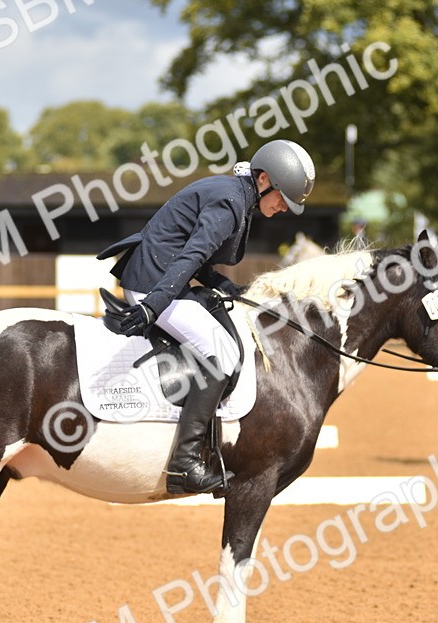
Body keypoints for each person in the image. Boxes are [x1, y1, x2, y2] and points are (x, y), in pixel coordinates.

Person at [98, 139, 316, 494]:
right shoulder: (230, 201)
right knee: (224, 355)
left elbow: (192, 256)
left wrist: (225, 285)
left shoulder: (236, 194)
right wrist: (152, 306)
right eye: (282, 199)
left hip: (164, 278)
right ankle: (184, 465)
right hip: (155, 283)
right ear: (263, 180)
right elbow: (189, 256)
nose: (283, 208)